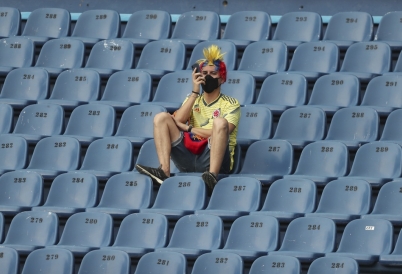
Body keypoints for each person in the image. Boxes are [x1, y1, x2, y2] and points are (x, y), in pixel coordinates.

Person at [135, 45, 241, 192]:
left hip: (213, 156)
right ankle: (164, 171)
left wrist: (189, 128)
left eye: (213, 73)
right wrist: (194, 92)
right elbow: (177, 120)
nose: (208, 76)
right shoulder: (192, 98)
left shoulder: (231, 103)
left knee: (220, 122)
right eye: (204, 73)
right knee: (161, 118)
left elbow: (224, 131)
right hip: (189, 156)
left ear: (222, 78)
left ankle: (212, 176)